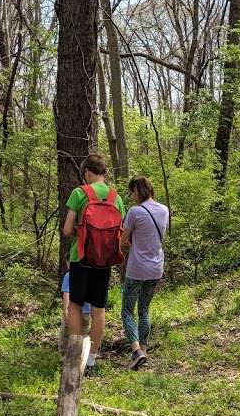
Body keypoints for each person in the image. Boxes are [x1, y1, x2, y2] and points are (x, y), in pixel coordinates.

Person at [62, 153, 126, 375]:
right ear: (104, 172)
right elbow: (121, 232)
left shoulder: (79, 193)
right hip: (104, 262)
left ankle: (75, 357)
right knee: (99, 310)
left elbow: (67, 229)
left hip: (81, 259)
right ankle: (91, 361)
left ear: (88, 172)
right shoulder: (115, 197)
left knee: (75, 307)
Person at [120, 176, 169, 369]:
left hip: (137, 269)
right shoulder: (164, 210)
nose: (131, 196)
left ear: (138, 191)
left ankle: (136, 351)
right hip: (156, 268)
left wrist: (131, 242)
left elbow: (123, 240)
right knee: (144, 310)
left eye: (132, 192)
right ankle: (144, 351)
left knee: (127, 311)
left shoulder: (135, 212)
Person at [59, 267, 90, 354]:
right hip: (87, 312)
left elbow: (66, 293)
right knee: (84, 335)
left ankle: (63, 356)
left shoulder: (69, 275)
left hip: (73, 311)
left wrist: (65, 310)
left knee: (65, 334)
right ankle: (82, 357)